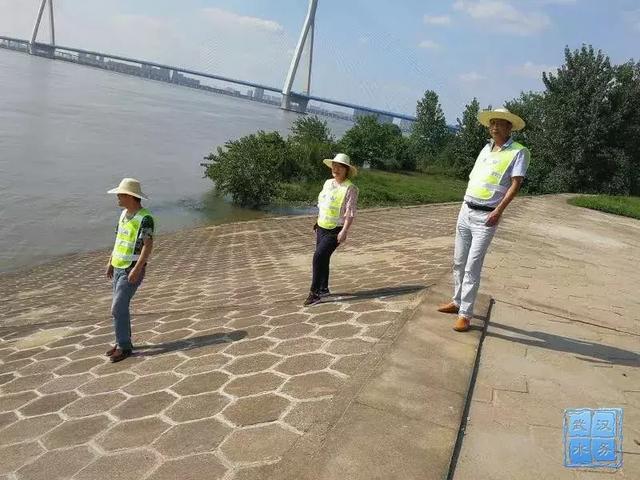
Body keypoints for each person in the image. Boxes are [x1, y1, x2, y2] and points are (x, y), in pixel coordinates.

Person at [438, 108, 530, 332]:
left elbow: (515, 184)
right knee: (459, 261)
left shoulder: (519, 152)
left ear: (509, 127)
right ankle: (456, 301)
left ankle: (465, 314)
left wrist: (499, 211)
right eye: (492, 123)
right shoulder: (485, 148)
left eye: (500, 123)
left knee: (472, 266)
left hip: (487, 216)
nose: (494, 127)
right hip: (466, 210)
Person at [105, 178, 155, 362]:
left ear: (130, 196)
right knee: (120, 307)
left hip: (131, 270)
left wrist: (137, 269)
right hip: (118, 267)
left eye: (121, 194)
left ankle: (124, 347)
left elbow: (147, 246)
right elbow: (119, 240)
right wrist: (110, 261)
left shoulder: (145, 218)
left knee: (117, 307)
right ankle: (121, 341)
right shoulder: (123, 215)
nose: (118, 197)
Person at [304, 153, 359, 306]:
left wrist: (344, 231)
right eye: (334, 166)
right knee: (324, 258)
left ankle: (314, 293)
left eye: (340, 167)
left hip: (336, 230)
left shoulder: (350, 188)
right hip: (321, 226)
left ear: (346, 170)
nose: (336, 169)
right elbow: (324, 204)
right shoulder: (328, 183)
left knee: (318, 257)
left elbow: (350, 212)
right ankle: (323, 288)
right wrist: (317, 223)